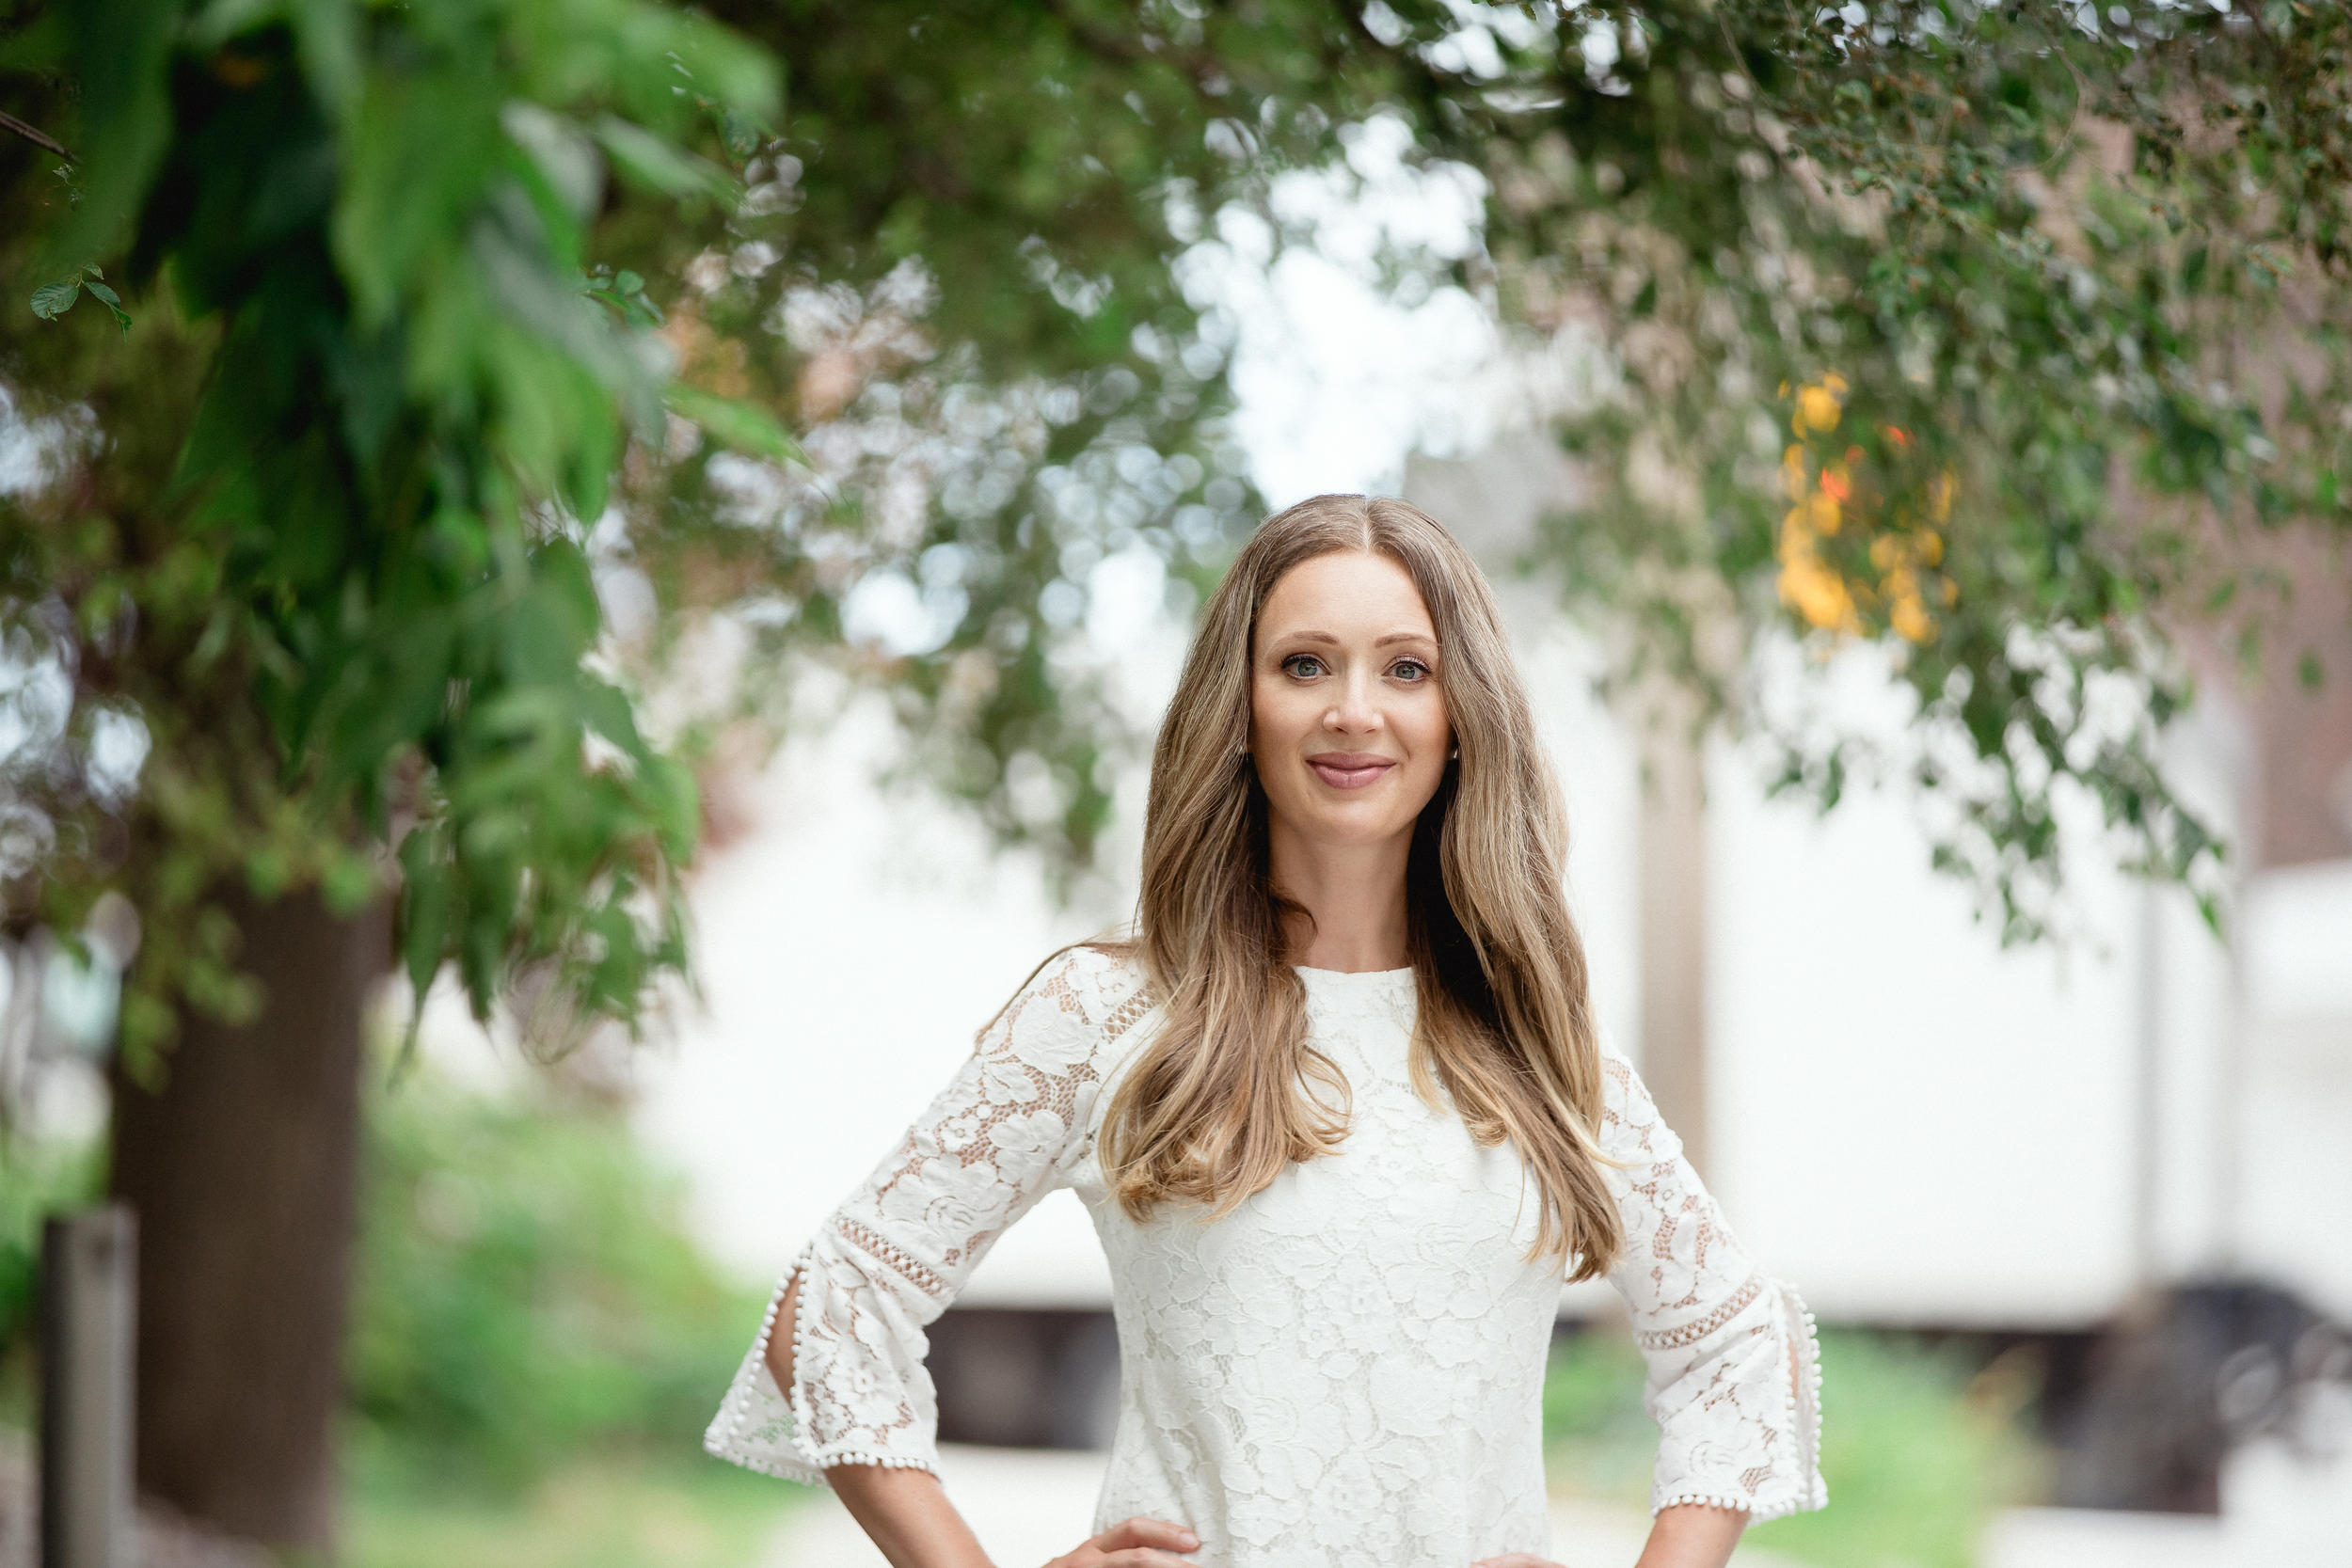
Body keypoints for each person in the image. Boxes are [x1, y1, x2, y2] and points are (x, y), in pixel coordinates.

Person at [706, 495, 1825, 1567]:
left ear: (1461, 716)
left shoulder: (1533, 1041)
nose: (1354, 710)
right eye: (1304, 664)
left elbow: (1735, 1345)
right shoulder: (1107, 1014)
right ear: (1239, 709)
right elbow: (833, 1310)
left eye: (1405, 667)